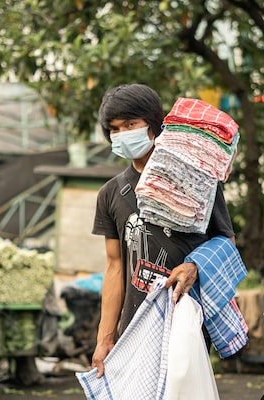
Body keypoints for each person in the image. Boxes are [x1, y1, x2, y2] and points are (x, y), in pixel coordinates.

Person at [91, 83, 237, 377]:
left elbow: (227, 242)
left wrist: (195, 266)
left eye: (130, 124)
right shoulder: (110, 194)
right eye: (115, 129)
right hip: (134, 329)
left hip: (188, 322)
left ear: (153, 125)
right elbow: (115, 267)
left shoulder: (198, 181)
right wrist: (105, 338)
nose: (122, 135)